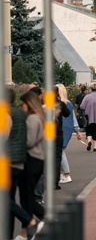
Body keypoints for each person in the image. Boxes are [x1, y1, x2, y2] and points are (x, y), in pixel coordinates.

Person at [19, 92, 46, 224]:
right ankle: (39, 218)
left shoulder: (32, 119)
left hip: (31, 159)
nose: (21, 107)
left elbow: (29, 141)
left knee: (27, 196)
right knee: (28, 195)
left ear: (29, 104)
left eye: (22, 104)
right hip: (39, 159)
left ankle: (35, 220)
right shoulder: (39, 117)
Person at [57, 85, 81, 185]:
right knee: (60, 151)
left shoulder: (57, 104)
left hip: (60, 128)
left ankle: (66, 174)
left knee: (60, 151)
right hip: (68, 128)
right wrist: (77, 130)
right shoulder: (69, 103)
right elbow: (74, 118)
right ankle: (63, 173)